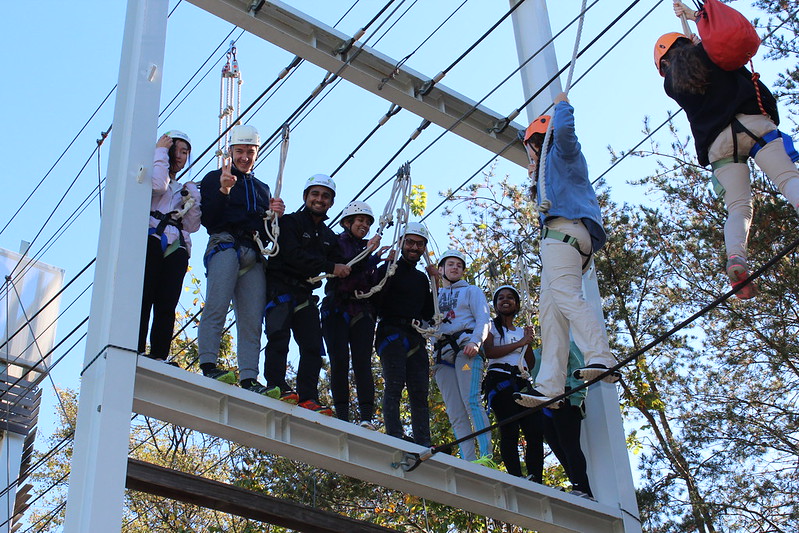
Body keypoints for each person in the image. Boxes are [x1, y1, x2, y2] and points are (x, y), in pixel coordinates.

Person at [656, 2, 799, 299]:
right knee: (787, 178)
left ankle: (736, 259)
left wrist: (695, 40)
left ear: (663, 66)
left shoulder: (672, 84)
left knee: (738, 207)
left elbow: (693, 64)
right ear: (688, 42)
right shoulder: (711, 51)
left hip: (719, 145)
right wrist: (696, 20)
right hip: (752, 124)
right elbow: (724, 45)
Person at [514, 92, 619, 408]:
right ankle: (550, 385)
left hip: (565, 233)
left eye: (531, 150)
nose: (530, 160)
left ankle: (601, 356)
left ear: (540, 142)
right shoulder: (551, 174)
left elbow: (567, 133)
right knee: (550, 311)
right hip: (562, 238)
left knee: (566, 297)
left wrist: (562, 105)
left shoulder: (562, 152)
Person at [197, 125, 285, 391]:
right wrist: (223, 190)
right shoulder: (214, 178)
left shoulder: (261, 188)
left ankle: (249, 376)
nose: (245, 157)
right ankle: (209, 365)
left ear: (256, 153)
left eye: (249, 152)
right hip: (226, 244)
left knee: (252, 319)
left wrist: (274, 216)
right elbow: (209, 220)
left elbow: (270, 237)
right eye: (240, 151)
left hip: (253, 251)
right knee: (217, 306)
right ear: (231, 152)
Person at [264, 174, 350, 415]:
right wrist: (330, 267)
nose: (319, 199)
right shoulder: (290, 223)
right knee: (278, 338)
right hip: (281, 288)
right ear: (305, 197)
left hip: (304, 294)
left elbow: (344, 261)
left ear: (331, 203)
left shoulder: (327, 236)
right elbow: (293, 255)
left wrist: (371, 252)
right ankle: (276, 384)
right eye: (315, 194)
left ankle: (308, 396)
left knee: (313, 346)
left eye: (325, 196)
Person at [138, 131, 201, 362]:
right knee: (144, 295)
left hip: (176, 247)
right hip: (153, 237)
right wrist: (161, 152)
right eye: (179, 150)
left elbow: (193, 225)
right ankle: (136, 346)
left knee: (167, 303)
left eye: (186, 153)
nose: (182, 157)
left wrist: (193, 198)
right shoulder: (156, 171)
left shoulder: (183, 188)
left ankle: (159, 353)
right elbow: (157, 186)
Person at [373, 222, 436, 446]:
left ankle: (423, 440)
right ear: (401, 243)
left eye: (419, 244)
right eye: (410, 242)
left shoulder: (421, 279)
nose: (414, 248)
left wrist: (435, 282)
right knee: (395, 383)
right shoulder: (389, 269)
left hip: (414, 335)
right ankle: (394, 433)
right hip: (391, 331)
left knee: (420, 392)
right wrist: (387, 270)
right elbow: (376, 300)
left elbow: (429, 312)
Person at [321, 201, 382, 427]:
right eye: (360, 221)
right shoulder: (338, 243)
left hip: (362, 309)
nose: (364, 225)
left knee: (362, 363)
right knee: (339, 361)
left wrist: (384, 264)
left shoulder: (368, 251)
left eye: (367, 222)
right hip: (338, 307)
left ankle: (366, 416)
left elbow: (373, 282)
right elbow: (346, 266)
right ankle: (343, 415)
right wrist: (370, 253)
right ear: (348, 223)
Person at [433, 249, 494, 465]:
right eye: (450, 264)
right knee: (455, 410)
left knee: (471, 401)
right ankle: (469, 459)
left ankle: (486, 456)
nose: (455, 268)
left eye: (459, 265)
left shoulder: (471, 291)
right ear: (441, 269)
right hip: (442, 354)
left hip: (465, 350)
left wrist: (476, 342)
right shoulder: (435, 295)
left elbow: (484, 319)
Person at [482, 285, 543, 479]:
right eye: (501, 298)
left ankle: (535, 477)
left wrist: (528, 341)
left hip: (521, 380)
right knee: (509, 430)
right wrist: (520, 343)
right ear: (496, 304)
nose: (505, 300)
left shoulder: (520, 331)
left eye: (510, 297)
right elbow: (489, 352)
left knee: (534, 432)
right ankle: (515, 476)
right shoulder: (490, 327)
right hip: (500, 381)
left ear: (516, 304)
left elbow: (530, 363)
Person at [537, 342, 594, 499]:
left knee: (569, 443)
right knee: (557, 445)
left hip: (567, 396)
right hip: (547, 403)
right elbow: (535, 375)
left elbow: (579, 370)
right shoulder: (538, 353)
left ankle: (582, 488)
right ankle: (578, 485)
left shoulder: (568, 345)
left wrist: (577, 399)